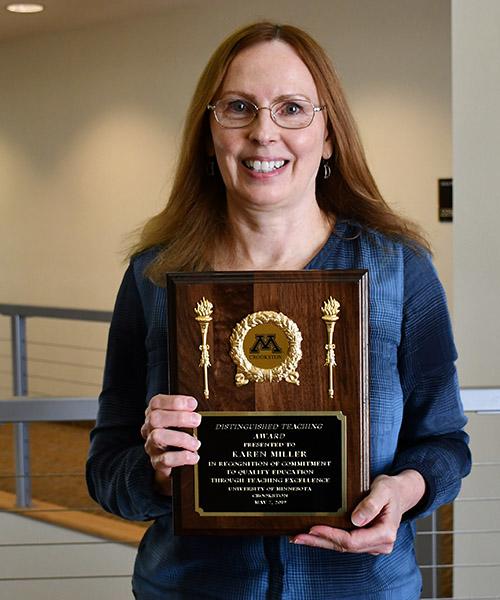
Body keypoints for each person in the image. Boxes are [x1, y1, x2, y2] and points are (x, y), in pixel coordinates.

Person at [86, 22, 471, 600]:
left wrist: (406, 491)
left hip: (362, 590)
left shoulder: (398, 270)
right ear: (208, 133)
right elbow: (105, 468)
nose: (264, 132)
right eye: (239, 107)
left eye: (292, 108)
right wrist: (157, 475)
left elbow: (445, 444)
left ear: (330, 135)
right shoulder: (154, 276)